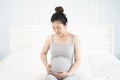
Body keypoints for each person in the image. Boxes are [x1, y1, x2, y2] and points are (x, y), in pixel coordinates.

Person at [41, 6, 81, 80]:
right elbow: (43, 53)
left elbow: (78, 60)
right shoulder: (50, 38)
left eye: (58, 27)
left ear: (65, 25)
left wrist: (69, 74)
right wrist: (46, 66)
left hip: (69, 75)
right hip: (52, 75)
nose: (56, 30)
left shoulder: (75, 38)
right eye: (53, 27)